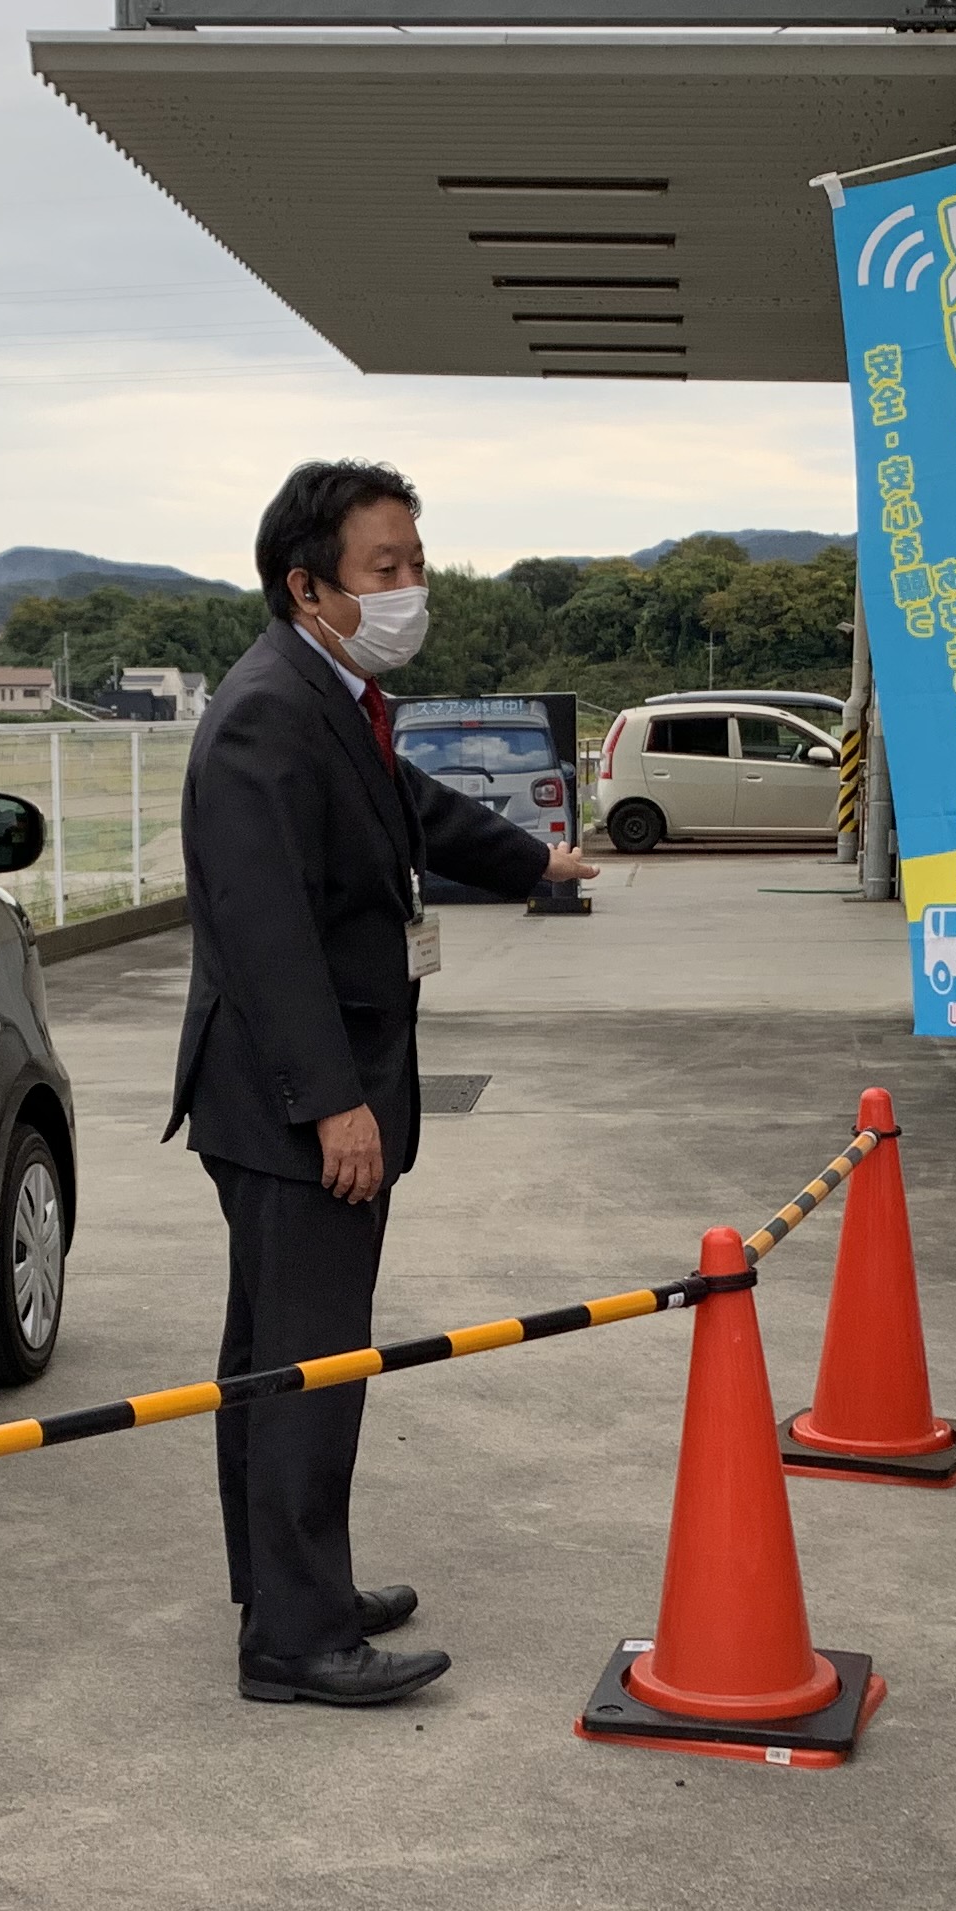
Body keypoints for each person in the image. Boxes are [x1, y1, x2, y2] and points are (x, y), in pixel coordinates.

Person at [169, 461, 599, 1710]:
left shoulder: (334, 698)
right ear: (310, 587)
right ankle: (296, 1644)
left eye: (418, 562)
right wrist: (333, 1103)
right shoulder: (266, 712)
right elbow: (260, 931)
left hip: (295, 1094)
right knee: (311, 1360)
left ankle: (289, 1589)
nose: (413, 588)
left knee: (273, 1357)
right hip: (292, 1100)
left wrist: (537, 859)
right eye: (385, 570)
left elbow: (413, 811)